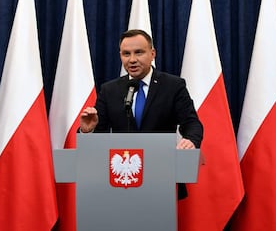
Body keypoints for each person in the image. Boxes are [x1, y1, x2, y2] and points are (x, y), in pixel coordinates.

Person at [79, 29, 203, 199]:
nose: (132, 60)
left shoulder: (173, 86)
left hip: (161, 179)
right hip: (119, 183)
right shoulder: (110, 90)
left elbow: (192, 124)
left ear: (152, 54)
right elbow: (99, 136)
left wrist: (190, 141)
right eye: (126, 54)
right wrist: (88, 131)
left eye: (139, 52)